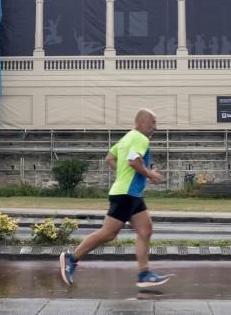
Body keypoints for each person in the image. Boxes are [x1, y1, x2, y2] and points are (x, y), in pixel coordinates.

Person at [60, 108, 171, 288]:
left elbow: (110, 158)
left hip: (132, 194)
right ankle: (71, 258)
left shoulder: (126, 138)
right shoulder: (141, 138)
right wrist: (150, 174)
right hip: (125, 194)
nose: (155, 127)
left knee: (146, 230)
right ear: (142, 123)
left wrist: (124, 174)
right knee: (108, 233)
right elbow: (133, 161)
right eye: (153, 123)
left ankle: (144, 274)